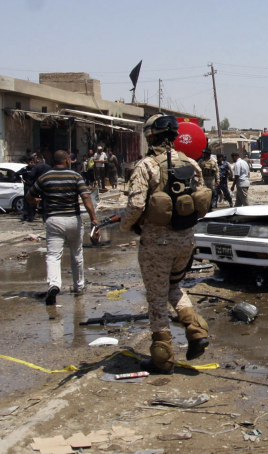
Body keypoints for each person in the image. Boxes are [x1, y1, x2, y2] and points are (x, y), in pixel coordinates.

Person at [119, 114, 209, 374]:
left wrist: (125, 226)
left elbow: (136, 205)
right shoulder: (191, 163)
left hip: (157, 243)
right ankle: (195, 331)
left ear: (151, 136)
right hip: (186, 240)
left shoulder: (146, 166)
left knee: (156, 297)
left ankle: (162, 358)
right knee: (174, 286)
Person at [26, 150, 98, 305]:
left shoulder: (45, 177)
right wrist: (94, 219)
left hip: (53, 220)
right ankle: (78, 286)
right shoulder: (76, 176)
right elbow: (86, 198)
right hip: (73, 219)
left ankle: (54, 285)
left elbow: (29, 195)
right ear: (66, 160)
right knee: (76, 254)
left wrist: (34, 201)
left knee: (53, 256)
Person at [16, 154, 36, 222]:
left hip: (33, 186)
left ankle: (32, 215)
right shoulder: (25, 169)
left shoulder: (35, 169)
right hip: (27, 186)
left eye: (32, 162)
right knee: (26, 200)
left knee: (34, 201)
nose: (31, 163)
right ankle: (26, 215)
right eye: (30, 162)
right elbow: (16, 173)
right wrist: (21, 179)